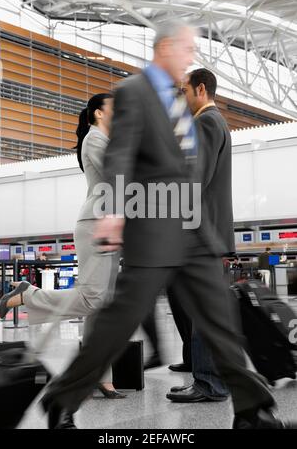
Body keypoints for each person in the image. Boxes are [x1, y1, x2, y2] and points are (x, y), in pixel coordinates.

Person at [39, 21, 296, 430]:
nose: (191, 55)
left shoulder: (178, 102)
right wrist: (116, 212)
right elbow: (121, 154)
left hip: (193, 231)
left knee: (219, 320)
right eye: (186, 48)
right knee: (120, 318)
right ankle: (61, 397)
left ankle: (252, 411)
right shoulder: (133, 92)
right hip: (155, 228)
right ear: (165, 47)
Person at [0, 93, 125, 401]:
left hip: (109, 225)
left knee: (103, 306)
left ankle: (99, 376)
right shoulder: (95, 140)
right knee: (93, 298)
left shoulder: (106, 140)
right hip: (96, 225)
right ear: (97, 113)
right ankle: (26, 295)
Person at [166, 69, 231, 403]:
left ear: (200, 89)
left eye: (184, 90)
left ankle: (209, 383)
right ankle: (208, 376)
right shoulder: (216, 122)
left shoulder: (206, 123)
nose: (182, 97)